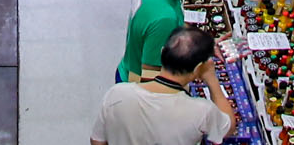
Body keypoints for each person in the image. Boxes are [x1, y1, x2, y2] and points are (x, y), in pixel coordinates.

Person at [90, 25, 236, 145]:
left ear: (161, 53)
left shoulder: (117, 94)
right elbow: (227, 129)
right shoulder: (202, 111)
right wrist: (212, 79)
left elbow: (97, 141)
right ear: (198, 68)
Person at [117, 0, 221, 81]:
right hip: (135, 85)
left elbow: (177, 24)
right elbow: (150, 75)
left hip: (126, 67)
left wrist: (203, 43)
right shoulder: (164, 19)